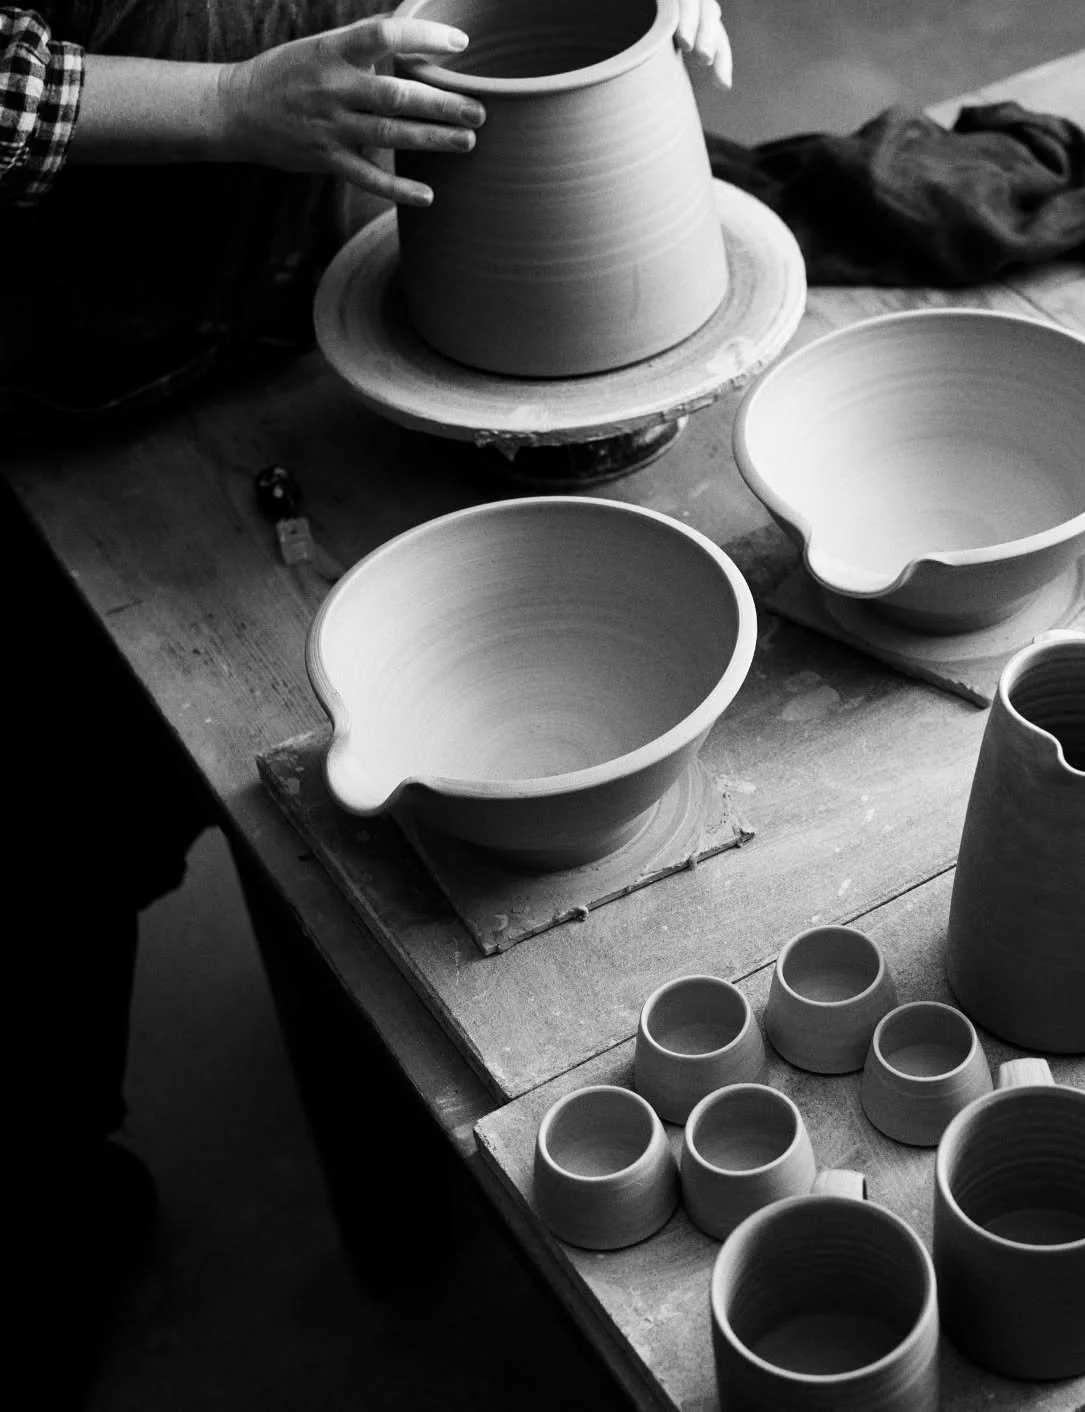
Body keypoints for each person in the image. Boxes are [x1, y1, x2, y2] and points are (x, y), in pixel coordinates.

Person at [1, 4, 731, 1405]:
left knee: (446, 677)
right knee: (49, 865)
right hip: (55, 362)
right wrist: (220, 109)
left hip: (323, 280)